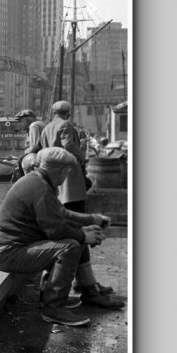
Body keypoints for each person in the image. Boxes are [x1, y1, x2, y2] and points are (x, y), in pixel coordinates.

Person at [0, 147, 124, 326]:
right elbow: (56, 230)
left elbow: (61, 214)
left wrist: (90, 220)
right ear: (60, 170)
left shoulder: (40, 182)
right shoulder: (39, 188)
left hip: (17, 247)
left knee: (77, 237)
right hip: (9, 252)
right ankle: (54, 308)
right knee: (71, 246)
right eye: (67, 170)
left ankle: (88, 291)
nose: (68, 174)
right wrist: (84, 236)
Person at [40, 100, 116, 298]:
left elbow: (40, 151)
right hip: (71, 185)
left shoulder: (47, 127)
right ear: (68, 113)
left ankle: (85, 282)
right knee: (80, 232)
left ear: (53, 111)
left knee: (73, 232)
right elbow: (70, 149)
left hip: (57, 185)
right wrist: (83, 154)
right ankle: (84, 284)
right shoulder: (65, 126)